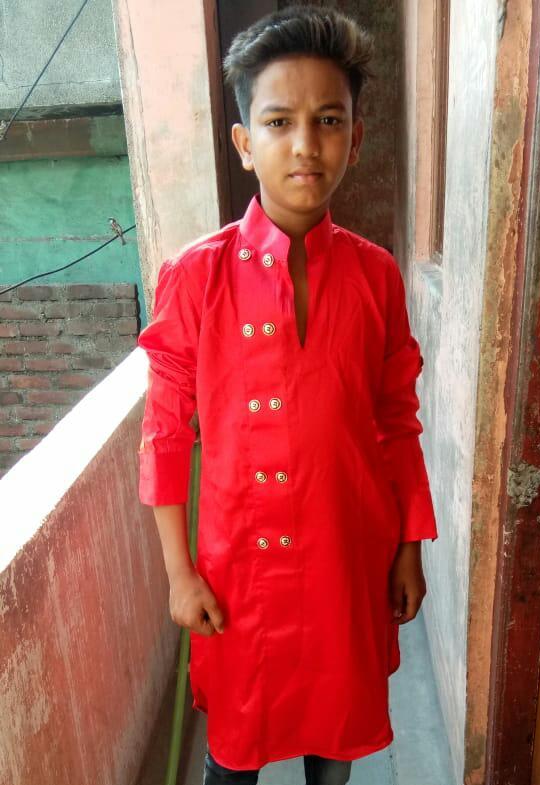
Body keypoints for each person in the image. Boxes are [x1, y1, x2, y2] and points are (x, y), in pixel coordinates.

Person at [136, 5, 438, 785]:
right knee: (234, 754)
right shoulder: (195, 277)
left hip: (347, 560)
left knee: (334, 750)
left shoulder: (376, 275)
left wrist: (408, 546)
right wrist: (179, 573)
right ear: (246, 143)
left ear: (355, 139)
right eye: (279, 121)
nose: (306, 144)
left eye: (328, 120)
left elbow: (396, 420)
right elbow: (165, 432)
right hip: (241, 572)